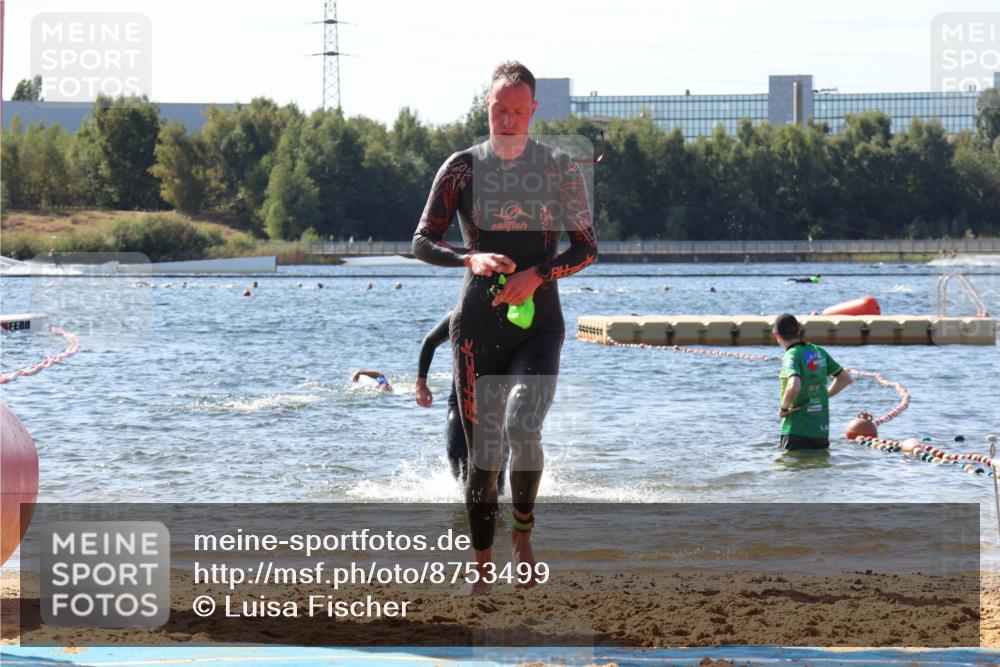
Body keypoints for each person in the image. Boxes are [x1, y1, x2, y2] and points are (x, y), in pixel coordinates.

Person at [412, 60, 597, 593]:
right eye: (500, 110)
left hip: (540, 325)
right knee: (482, 453)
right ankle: (483, 565)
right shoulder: (462, 168)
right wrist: (467, 260)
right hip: (475, 328)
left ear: (533, 110)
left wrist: (539, 275)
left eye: (519, 110)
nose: (509, 119)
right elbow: (422, 241)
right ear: (486, 107)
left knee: (522, 426)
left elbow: (587, 248)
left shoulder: (559, 169)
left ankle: (522, 535)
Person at [416, 312, 509, 491]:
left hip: (498, 401)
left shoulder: (507, 318)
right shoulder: (458, 316)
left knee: (497, 465)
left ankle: (499, 505)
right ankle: (465, 498)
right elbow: (430, 341)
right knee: (456, 451)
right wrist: (421, 382)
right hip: (460, 398)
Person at [773, 314, 853, 450]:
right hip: (820, 432)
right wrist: (822, 395)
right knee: (818, 468)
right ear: (798, 330)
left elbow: (794, 385)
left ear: (777, 336)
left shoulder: (791, 355)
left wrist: (783, 409)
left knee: (790, 470)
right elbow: (845, 379)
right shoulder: (819, 351)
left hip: (796, 430)